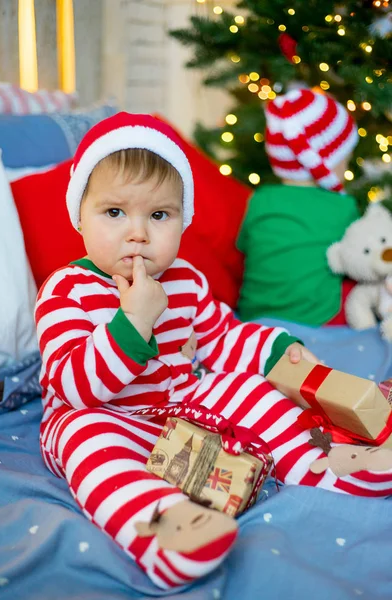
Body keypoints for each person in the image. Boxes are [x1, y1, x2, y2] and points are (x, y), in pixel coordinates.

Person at [35, 112, 392, 591]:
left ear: (183, 220)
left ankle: (328, 464)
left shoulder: (185, 279)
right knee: (84, 442)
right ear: (79, 214)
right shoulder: (67, 290)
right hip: (105, 413)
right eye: (115, 213)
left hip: (182, 405)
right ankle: (165, 525)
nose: (138, 233)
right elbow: (74, 386)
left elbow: (223, 339)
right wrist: (134, 322)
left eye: (159, 215)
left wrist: (275, 350)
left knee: (244, 388)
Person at [237, 89, 360, 326]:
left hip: (255, 320)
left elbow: (244, 246)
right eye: (345, 157)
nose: (347, 164)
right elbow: (354, 261)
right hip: (317, 319)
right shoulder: (343, 207)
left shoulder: (259, 200)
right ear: (325, 162)